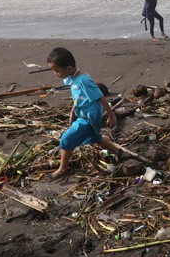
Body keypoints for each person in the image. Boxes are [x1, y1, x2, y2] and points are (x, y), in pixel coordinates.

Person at [46, 47, 121, 180]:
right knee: (95, 137)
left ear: (68, 68)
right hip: (82, 113)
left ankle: (62, 169)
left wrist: (111, 115)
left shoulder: (83, 81)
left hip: (89, 116)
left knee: (66, 139)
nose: (55, 74)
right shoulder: (72, 77)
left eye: (56, 71)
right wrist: (72, 112)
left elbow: (101, 97)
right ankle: (116, 151)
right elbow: (77, 96)